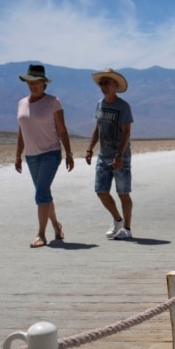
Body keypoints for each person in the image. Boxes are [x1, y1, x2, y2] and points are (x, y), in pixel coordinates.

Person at [14, 64, 74, 248]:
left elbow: (62, 129)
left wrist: (69, 153)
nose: (33, 86)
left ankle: (41, 235)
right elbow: (21, 131)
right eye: (29, 82)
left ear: (44, 83)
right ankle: (56, 226)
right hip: (31, 156)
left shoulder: (53, 102)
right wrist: (18, 155)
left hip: (50, 153)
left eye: (37, 82)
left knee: (40, 194)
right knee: (44, 194)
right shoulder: (21, 103)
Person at [85, 68, 134, 240]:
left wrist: (119, 155)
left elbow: (126, 132)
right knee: (101, 191)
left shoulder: (123, 107)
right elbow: (97, 127)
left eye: (107, 83)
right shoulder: (100, 104)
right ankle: (117, 220)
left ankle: (127, 228)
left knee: (123, 193)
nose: (104, 86)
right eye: (102, 83)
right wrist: (90, 148)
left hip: (120, 157)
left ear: (115, 85)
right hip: (103, 156)